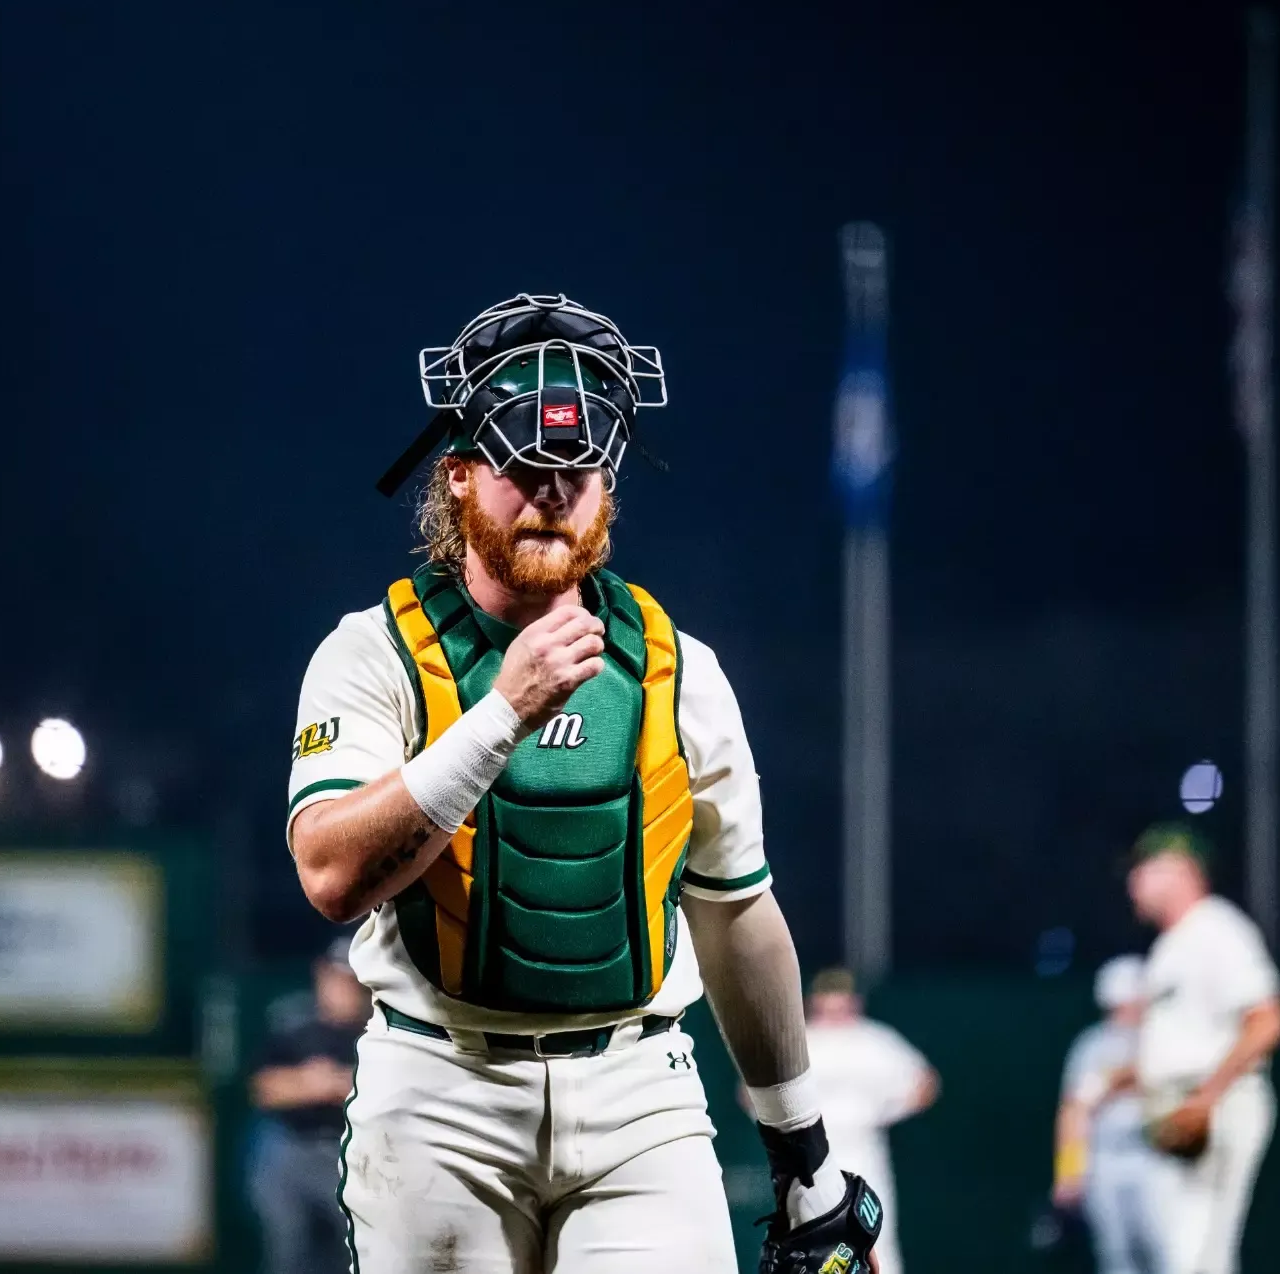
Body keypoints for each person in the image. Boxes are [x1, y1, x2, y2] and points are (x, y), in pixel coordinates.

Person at [285, 294, 885, 1274]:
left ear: (609, 486)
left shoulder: (673, 666)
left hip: (638, 1091)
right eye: (521, 467)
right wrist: (498, 717)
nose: (551, 493)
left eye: (579, 468)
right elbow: (328, 873)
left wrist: (804, 1155)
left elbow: (736, 915)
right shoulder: (373, 651)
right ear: (459, 475)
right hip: (440, 1085)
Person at [1124, 826, 1280, 1274]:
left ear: (1180, 870)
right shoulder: (1171, 945)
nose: (1132, 884)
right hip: (1178, 1110)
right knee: (1181, 1258)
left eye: (1142, 871)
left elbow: (1268, 1019)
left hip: (1216, 1109)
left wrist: (1207, 1096)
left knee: (1197, 1259)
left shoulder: (1217, 928)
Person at [796, 968, 938, 1274]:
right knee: (810, 1234)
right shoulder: (800, 1041)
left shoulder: (875, 1040)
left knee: (873, 1230)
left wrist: (886, 1112)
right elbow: (750, 1092)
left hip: (863, 1150)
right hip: (809, 1154)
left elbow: (925, 1084)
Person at [247, 938, 370, 1274]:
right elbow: (262, 1088)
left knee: (355, 1253)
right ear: (322, 974)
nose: (345, 989)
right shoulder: (292, 1022)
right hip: (292, 1146)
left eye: (353, 981)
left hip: (350, 1154)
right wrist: (309, 1083)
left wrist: (341, 1082)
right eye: (338, 978)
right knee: (287, 1248)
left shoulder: (377, 1032)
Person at [1054, 955, 1160, 1274]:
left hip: (1158, 1159)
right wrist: (1069, 1172)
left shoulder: (1163, 1038)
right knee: (1115, 1257)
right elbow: (1074, 1112)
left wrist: (1117, 1081)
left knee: (1169, 1249)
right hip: (1106, 1161)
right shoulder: (1091, 1046)